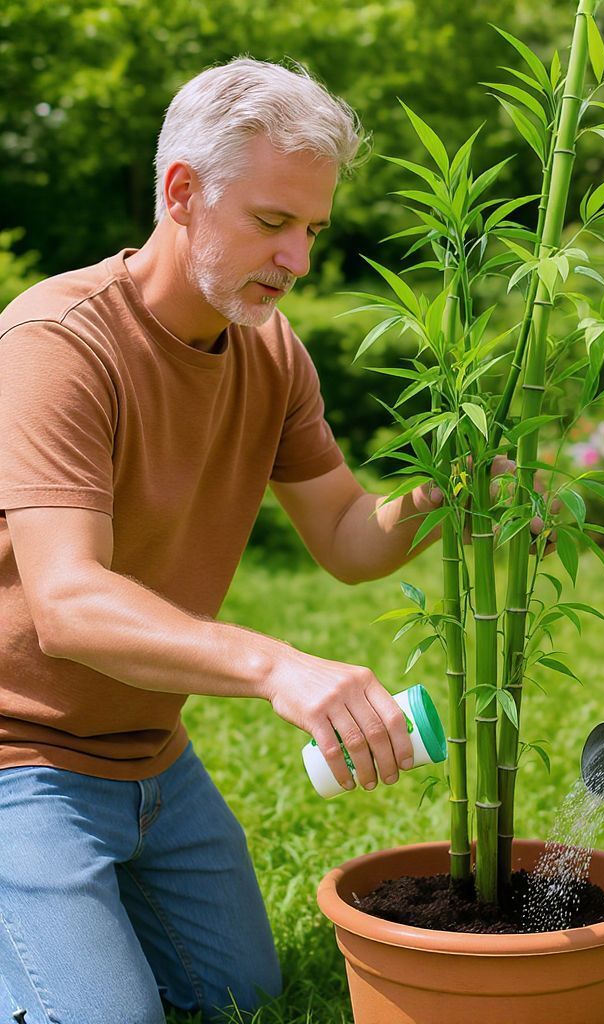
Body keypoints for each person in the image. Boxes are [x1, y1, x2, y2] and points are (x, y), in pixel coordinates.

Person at [0, 58, 451, 1023]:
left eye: (313, 230)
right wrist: (279, 667)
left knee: (240, 996)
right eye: (272, 221)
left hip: (150, 755)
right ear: (182, 192)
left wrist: (453, 493)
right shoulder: (57, 342)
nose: (298, 258)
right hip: (17, 759)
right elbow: (68, 603)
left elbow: (343, 534)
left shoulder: (269, 347)